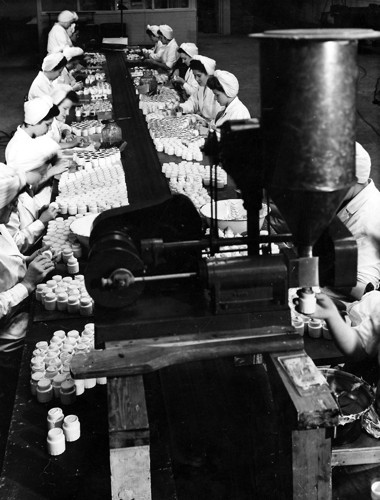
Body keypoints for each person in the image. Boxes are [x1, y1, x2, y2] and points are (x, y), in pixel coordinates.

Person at [0, 165, 55, 352]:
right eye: (11, 202)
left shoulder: (1, 225)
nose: (16, 206)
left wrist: (27, 260)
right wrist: (27, 284)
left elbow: (7, 260)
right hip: (8, 332)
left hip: (21, 306)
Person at [5, 97, 64, 246]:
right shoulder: (7, 205)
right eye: (47, 125)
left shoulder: (30, 141)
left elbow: (27, 197)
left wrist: (38, 209)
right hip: (28, 243)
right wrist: (41, 221)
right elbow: (16, 244)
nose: (49, 129)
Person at [179, 55, 222, 123]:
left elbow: (220, 119)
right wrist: (182, 108)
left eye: (199, 76)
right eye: (194, 75)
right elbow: (193, 101)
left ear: (208, 74)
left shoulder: (217, 91)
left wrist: (206, 123)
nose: (196, 79)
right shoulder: (201, 87)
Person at [48, 85, 81, 149]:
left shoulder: (54, 118)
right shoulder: (45, 122)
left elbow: (61, 125)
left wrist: (67, 133)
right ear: (55, 104)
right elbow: (47, 147)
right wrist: (71, 143)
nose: (67, 113)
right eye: (65, 108)